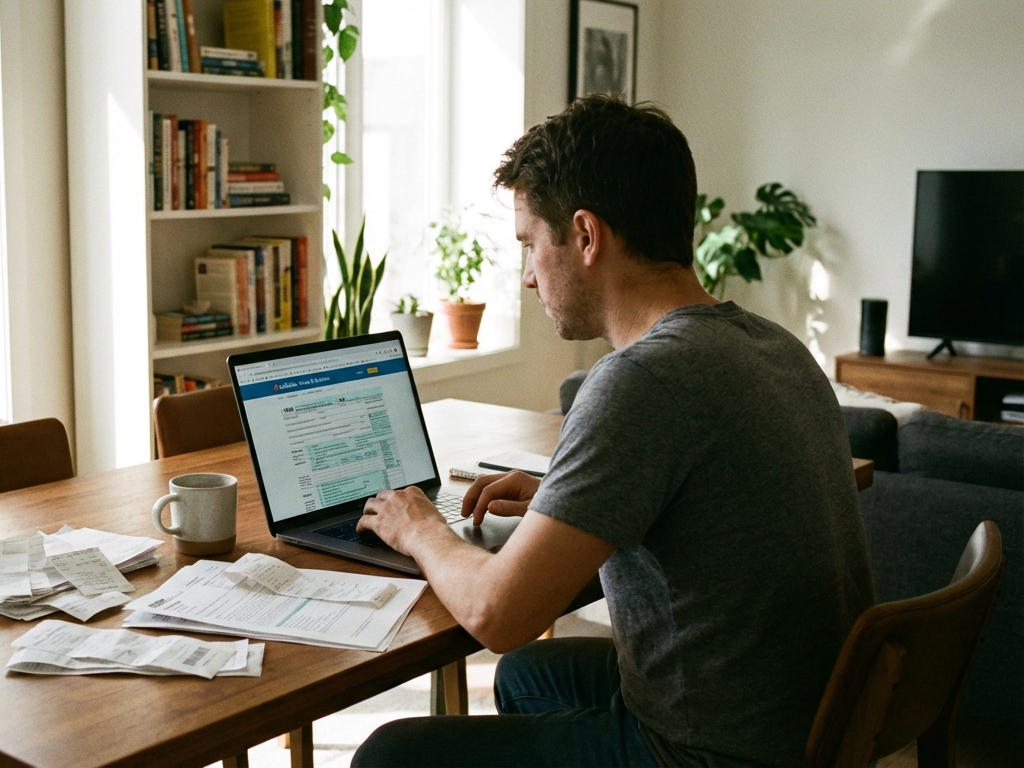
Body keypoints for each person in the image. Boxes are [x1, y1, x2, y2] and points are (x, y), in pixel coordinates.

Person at [351, 95, 873, 767]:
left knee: (390, 753)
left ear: (587, 236)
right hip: (807, 716)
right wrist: (558, 497)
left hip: (711, 752)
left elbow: (499, 616)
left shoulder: (642, 380)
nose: (529, 275)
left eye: (530, 246)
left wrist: (418, 524)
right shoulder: (772, 345)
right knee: (528, 678)